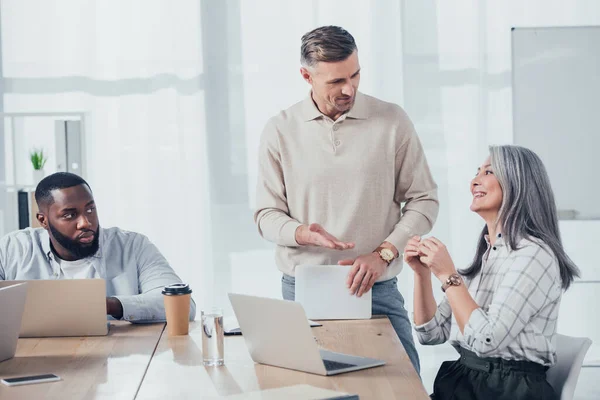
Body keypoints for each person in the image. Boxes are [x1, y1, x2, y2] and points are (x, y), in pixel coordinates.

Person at [254, 25, 439, 374]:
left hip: (376, 287)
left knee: (405, 388)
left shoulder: (392, 121)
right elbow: (265, 214)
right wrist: (301, 233)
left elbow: (424, 199)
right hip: (302, 290)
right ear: (306, 76)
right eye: (336, 81)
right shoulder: (279, 129)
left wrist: (383, 254)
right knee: (308, 393)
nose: (349, 88)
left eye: (355, 75)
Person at [406, 145, 579, 399]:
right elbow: (431, 334)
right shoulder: (487, 254)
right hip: (467, 381)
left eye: (488, 172)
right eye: (477, 172)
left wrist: (447, 276)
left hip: (507, 390)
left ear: (517, 184)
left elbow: (486, 341)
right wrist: (421, 274)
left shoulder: (533, 255)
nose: (475, 180)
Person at [0, 172, 196, 323]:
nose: (85, 222)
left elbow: (183, 307)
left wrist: (110, 305)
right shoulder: (12, 249)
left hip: (119, 362)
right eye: (70, 215)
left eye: (90, 209)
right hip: (35, 357)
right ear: (43, 221)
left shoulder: (133, 246)